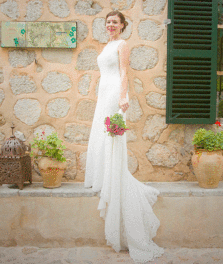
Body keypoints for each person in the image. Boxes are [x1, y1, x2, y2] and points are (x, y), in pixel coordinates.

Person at [84, 10, 165, 263]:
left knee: (112, 135)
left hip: (114, 94)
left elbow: (124, 72)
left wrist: (123, 97)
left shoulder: (122, 44)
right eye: (107, 22)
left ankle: (114, 177)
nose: (110, 25)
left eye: (114, 22)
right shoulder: (107, 44)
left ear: (122, 26)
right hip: (103, 93)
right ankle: (103, 176)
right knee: (101, 134)